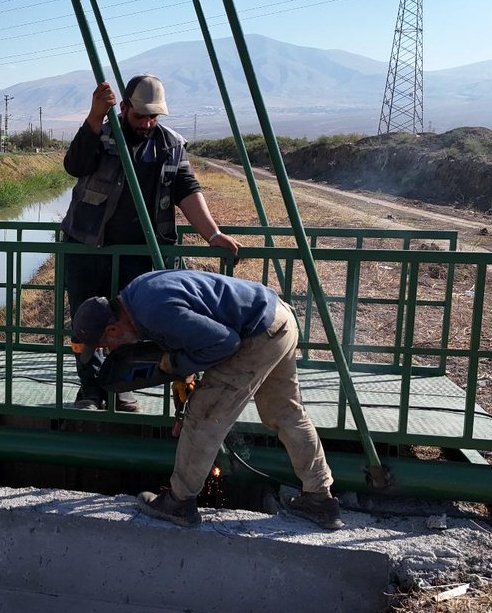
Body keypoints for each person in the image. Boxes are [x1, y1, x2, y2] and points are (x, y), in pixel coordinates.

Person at [70, 268, 343, 530]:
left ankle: (179, 502)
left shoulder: (156, 312)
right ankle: (319, 498)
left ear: (114, 330)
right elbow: (188, 331)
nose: (111, 350)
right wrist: (183, 381)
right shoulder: (138, 294)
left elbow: (225, 343)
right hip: (278, 319)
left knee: (204, 415)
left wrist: (177, 363)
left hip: (255, 335)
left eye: (106, 345)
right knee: (286, 413)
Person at [60, 74, 240, 412]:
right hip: (87, 246)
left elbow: (186, 190)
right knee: (88, 320)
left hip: (138, 254)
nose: (146, 123)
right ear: (124, 107)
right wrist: (96, 115)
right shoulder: (103, 133)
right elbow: (75, 165)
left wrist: (212, 234)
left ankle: (121, 388)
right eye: (139, 115)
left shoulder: (170, 145)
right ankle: (90, 391)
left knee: (129, 325)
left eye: (152, 117)